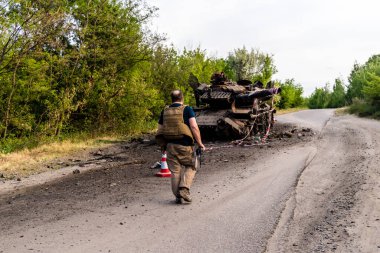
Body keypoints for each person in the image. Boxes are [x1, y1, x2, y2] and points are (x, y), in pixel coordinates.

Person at [156, 90, 205, 204]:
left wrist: (163, 145)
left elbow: (160, 129)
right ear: (182, 98)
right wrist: (200, 143)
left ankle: (178, 196)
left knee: (175, 172)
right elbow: (193, 126)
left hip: (170, 146)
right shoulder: (187, 109)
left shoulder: (165, 111)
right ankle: (184, 189)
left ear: (171, 99)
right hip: (185, 145)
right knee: (192, 165)